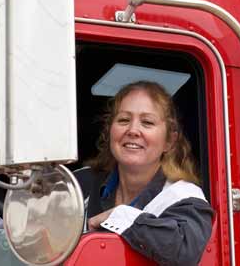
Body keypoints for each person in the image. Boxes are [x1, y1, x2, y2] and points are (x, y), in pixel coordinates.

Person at [85, 81, 213, 265]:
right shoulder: (79, 184)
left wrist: (119, 217)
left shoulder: (184, 197)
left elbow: (184, 249)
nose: (133, 130)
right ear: (109, 130)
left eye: (147, 122)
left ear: (169, 141)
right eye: (123, 120)